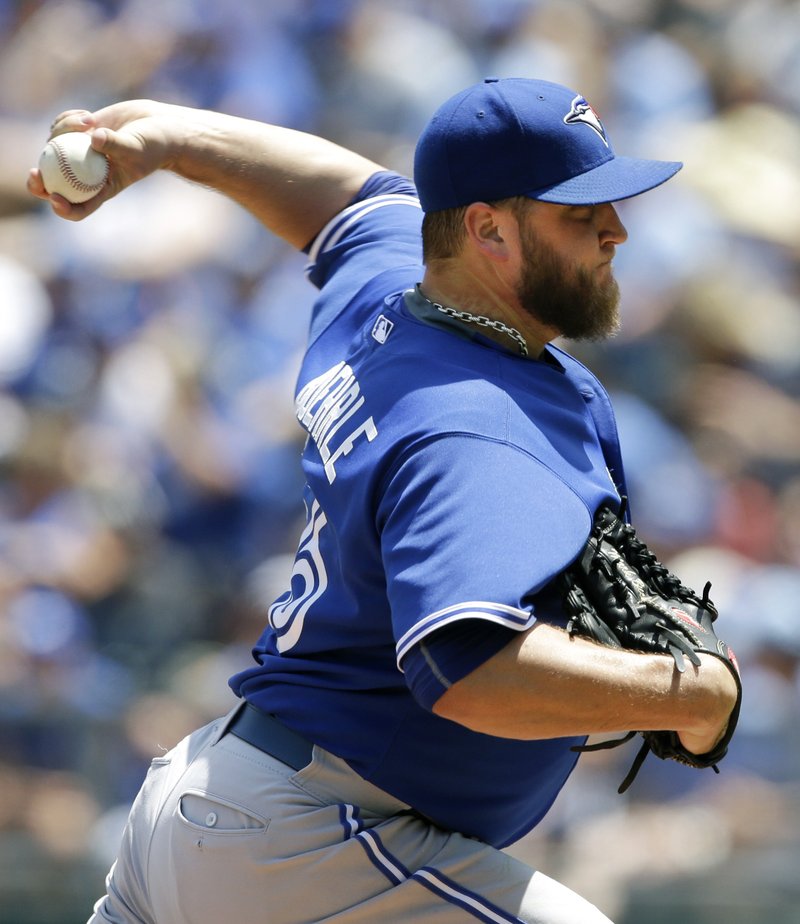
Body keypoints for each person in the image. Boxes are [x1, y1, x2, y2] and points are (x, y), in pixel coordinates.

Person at [29, 78, 739, 924]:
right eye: (579, 215)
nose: (615, 232)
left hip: (227, 805)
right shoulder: (475, 427)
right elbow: (465, 669)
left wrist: (171, 137)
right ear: (487, 230)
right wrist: (688, 693)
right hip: (309, 845)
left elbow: (341, 198)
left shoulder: (402, 280)